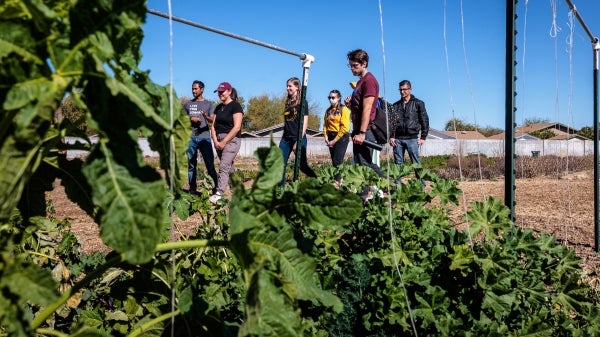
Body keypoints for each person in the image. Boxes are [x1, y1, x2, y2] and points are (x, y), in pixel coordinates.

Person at [344, 49, 386, 179]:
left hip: (366, 130)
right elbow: (360, 108)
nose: (352, 69)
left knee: (364, 166)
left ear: (364, 63)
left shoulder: (369, 81)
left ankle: (392, 187)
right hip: (359, 129)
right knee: (361, 164)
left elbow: (368, 109)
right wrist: (350, 106)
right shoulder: (361, 81)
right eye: (350, 65)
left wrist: (362, 133)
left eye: (355, 65)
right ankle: (392, 186)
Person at [279, 77, 317, 185]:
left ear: (297, 87)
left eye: (290, 86)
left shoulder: (303, 102)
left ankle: (316, 182)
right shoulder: (288, 102)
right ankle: (280, 190)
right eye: (287, 86)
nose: (287, 88)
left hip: (298, 137)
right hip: (285, 139)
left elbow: (304, 123)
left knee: (302, 166)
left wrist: (299, 141)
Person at [209, 82, 244, 203]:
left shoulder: (235, 106)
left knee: (223, 166)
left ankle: (219, 193)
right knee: (229, 168)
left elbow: (237, 127)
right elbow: (213, 126)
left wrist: (224, 141)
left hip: (232, 140)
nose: (220, 94)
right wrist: (215, 140)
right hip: (218, 140)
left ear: (229, 91)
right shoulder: (218, 108)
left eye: (222, 91)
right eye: (218, 91)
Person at [390, 80, 429, 185]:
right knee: (398, 164)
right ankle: (397, 188)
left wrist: (423, 137)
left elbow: (424, 120)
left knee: (416, 163)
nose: (402, 92)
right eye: (401, 90)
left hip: (412, 138)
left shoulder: (418, 103)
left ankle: (421, 186)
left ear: (410, 89)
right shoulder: (395, 105)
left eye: (405, 89)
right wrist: (391, 137)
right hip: (397, 139)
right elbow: (391, 123)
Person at [184, 80, 218, 195]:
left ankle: (215, 189)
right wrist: (190, 119)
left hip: (204, 138)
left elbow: (213, 119)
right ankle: (192, 189)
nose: (193, 91)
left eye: (196, 89)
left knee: (209, 164)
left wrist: (205, 116)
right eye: (192, 89)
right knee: (191, 165)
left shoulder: (209, 104)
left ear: (202, 89)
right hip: (191, 138)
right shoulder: (187, 104)